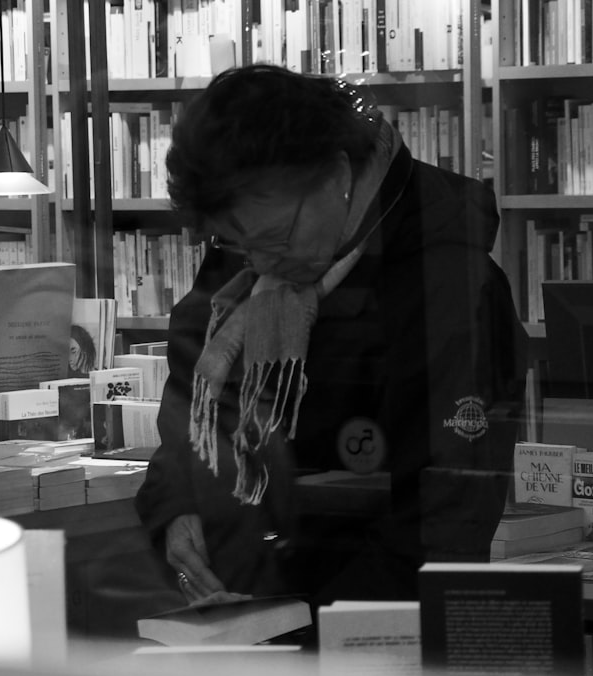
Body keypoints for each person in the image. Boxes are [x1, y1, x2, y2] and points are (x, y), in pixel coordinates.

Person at [134, 65, 528, 611]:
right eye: (240, 246)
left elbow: (443, 520)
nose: (263, 265)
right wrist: (174, 510)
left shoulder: (450, 288)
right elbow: (188, 412)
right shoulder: (249, 251)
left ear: (337, 174)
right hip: (245, 611)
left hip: (369, 635)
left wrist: (308, 629)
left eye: (275, 239)